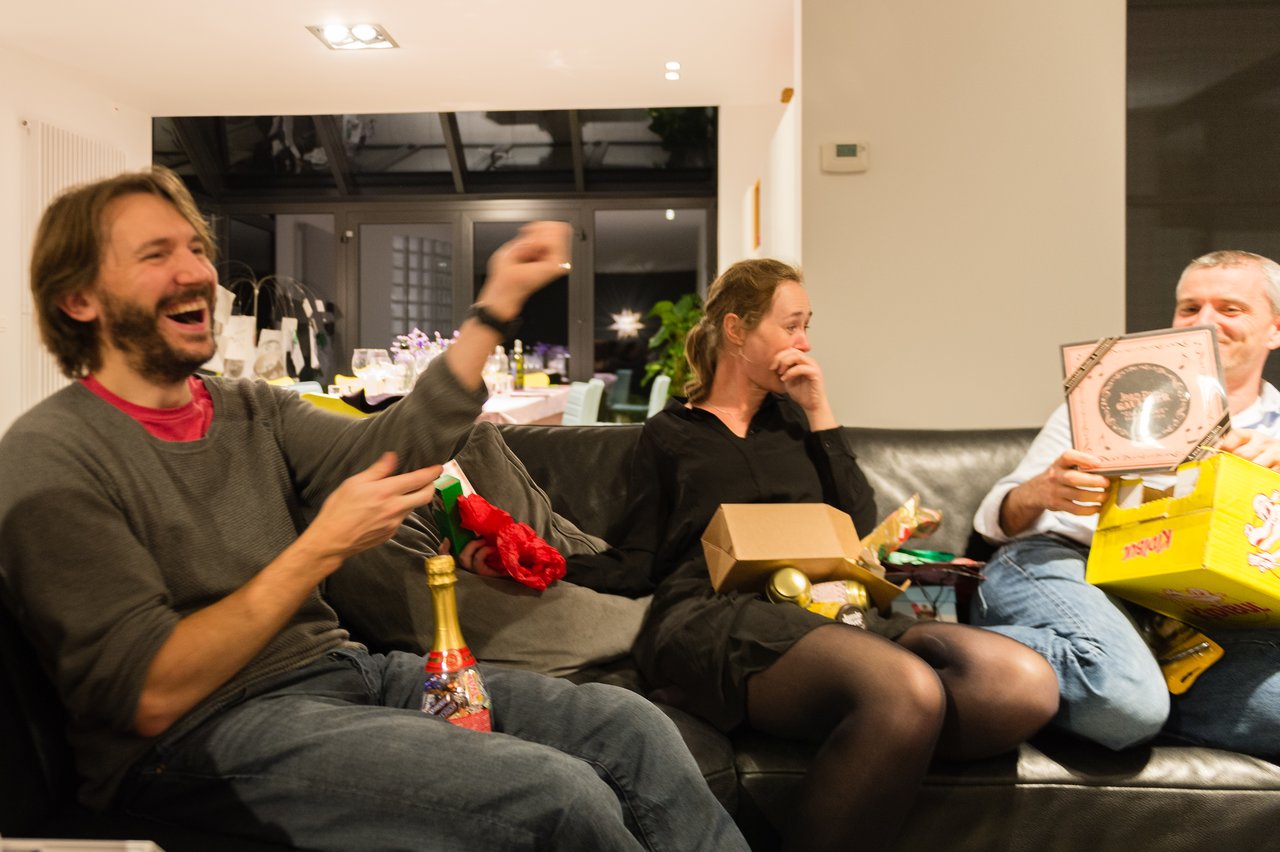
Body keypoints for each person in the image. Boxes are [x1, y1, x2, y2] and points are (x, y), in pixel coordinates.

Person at [0, 166, 748, 852]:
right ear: (79, 299)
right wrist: (318, 548)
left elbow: (395, 448)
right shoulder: (52, 460)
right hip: (196, 740)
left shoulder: (247, 406)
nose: (197, 270)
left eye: (196, 248)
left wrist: (495, 309)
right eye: (156, 253)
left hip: (340, 675)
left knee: (630, 728)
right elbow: (150, 695)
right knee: (554, 795)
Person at [500, 258, 1060, 852]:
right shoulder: (670, 434)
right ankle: (876, 716)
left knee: (1020, 685)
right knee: (908, 689)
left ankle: (870, 729)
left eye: (807, 325)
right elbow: (640, 557)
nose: (805, 341)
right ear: (738, 330)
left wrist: (819, 411)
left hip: (830, 604)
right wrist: (533, 558)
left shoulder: (795, 424)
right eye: (792, 325)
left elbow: (859, 526)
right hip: (713, 613)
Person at [971, 249, 1280, 757]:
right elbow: (995, 518)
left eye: (1230, 309)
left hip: (1190, 614)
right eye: (1189, 308)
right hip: (1067, 562)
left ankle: (1128, 684)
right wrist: (1043, 490)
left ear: (1273, 328)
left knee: (1128, 702)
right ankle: (950, 650)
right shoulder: (1119, 398)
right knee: (1123, 700)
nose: (1204, 322)